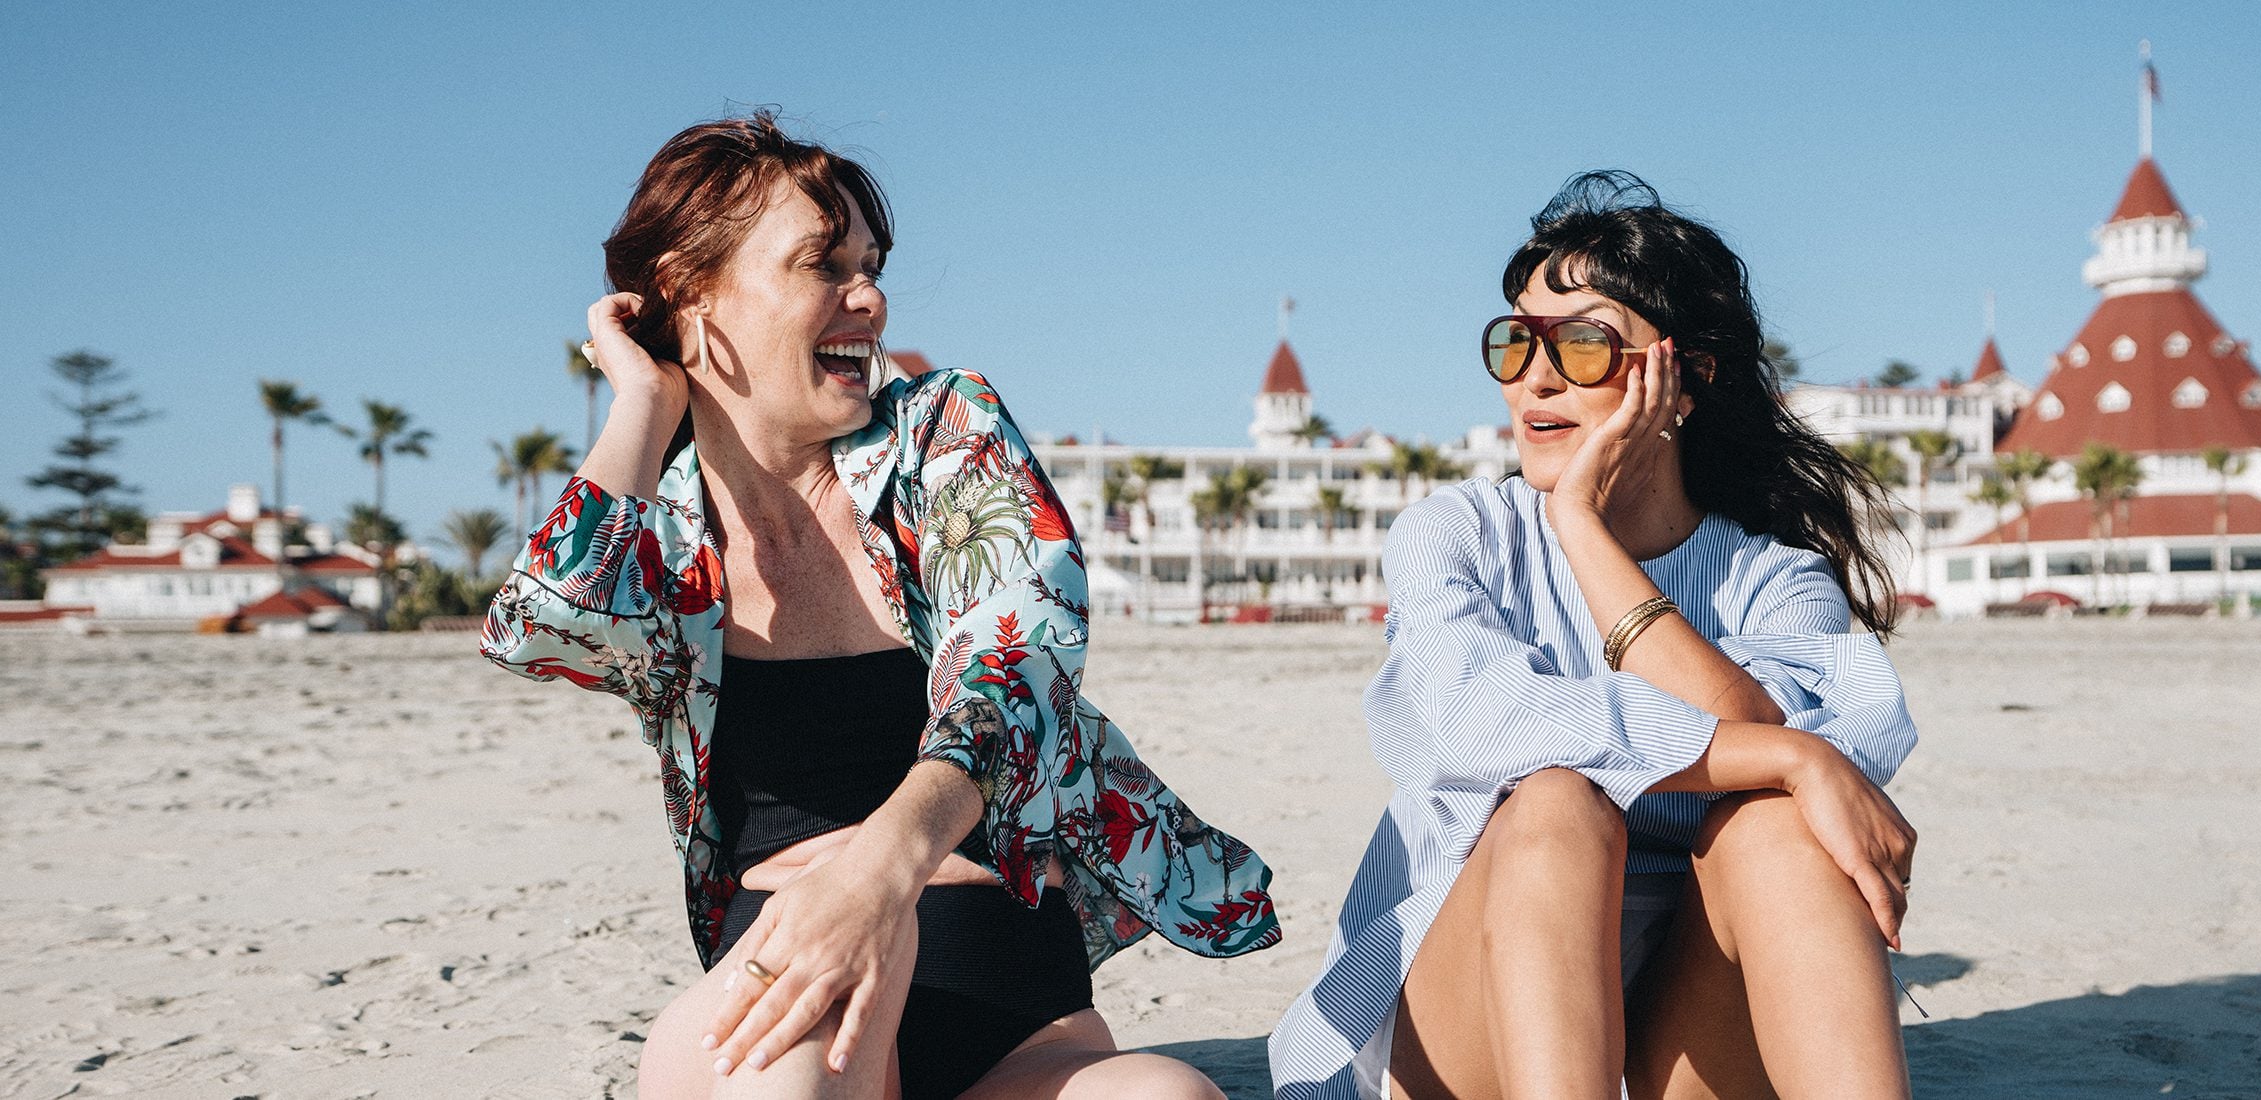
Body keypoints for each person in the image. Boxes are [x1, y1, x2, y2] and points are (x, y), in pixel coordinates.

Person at [480, 111, 1278, 1100]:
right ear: (691, 288)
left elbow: (1016, 673)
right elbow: (540, 631)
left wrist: (874, 880)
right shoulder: (668, 529)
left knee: (1166, 1097)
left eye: (872, 262)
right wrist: (640, 403)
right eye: (826, 263)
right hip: (785, 988)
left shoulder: (943, 433)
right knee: (794, 1074)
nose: (870, 296)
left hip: (1016, 1013)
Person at [1269, 171, 1921, 1100]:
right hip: (1476, 1011)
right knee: (1554, 804)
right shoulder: (1457, 534)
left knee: (1778, 823)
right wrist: (1791, 758)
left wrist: (1587, 533)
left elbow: (1785, 740)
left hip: (1683, 1029)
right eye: (1516, 343)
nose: (1534, 378)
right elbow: (1477, 725)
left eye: (1581, 346)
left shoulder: (1774, 580)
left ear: (1684, 381)